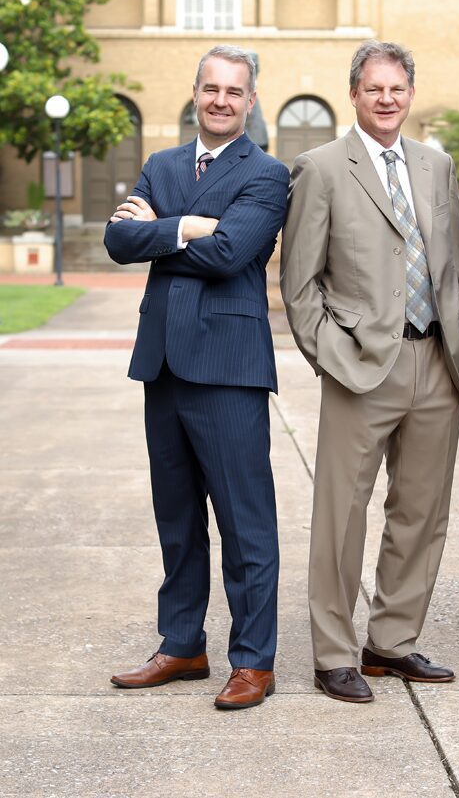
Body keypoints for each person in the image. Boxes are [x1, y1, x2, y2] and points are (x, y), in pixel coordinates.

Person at [280, 40, 459, 703]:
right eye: (374, 88)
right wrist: (325, 352)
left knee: (421, 511)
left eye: (397, 88)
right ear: (355, 94)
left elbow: (453, 267)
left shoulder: (437, 165)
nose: (387, 98)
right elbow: (299, 280)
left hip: (436, 363)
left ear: (409, 93)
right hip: (360, 366)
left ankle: (390, 640)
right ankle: (334, 653)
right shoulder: (320, 167)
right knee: (341, 514)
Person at [104, 45, 289, 711]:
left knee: (246, 523)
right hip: (163, 364)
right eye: (210, 88)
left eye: (233, 91)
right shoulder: (161, 164)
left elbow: (232, 253)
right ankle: (182, 643)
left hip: (229, 369)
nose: (219, 100)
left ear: (251, 101)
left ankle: (253, 660)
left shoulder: (267, 174)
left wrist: (158, 230)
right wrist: (183, 224)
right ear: (194, 92)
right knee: (177, 519)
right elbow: (117, 241)